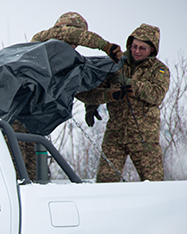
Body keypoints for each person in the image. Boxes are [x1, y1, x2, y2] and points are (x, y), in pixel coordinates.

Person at [13, 12, 123, 180]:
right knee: (15, 172)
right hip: (14, 120)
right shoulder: (42, 42)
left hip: (35, 127)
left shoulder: (66, 64)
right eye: (74, 41)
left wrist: (107, 96)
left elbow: (82, 91)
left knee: (34, 177)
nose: (74, 45)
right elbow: (67, 34)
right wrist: (105, 46)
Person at [78, 23, 170, 182]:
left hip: (144, 136)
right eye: (134, 46)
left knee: (153, 182)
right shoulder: (116, 64)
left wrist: (129, 84)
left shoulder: (159, 70)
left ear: (152, 50)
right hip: (115, 133)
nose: (137, 51)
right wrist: (91, 106)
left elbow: (157, 94)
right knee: (105, 182)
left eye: (142, 48)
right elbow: (98, 85)